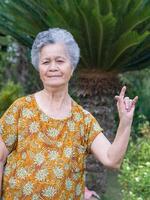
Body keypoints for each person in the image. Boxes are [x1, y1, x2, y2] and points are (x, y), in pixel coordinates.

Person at [0, 28, 138, 199]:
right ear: (38, 68)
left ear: (72, 67)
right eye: (46, 62)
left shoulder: (83, 120)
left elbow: (112, 160)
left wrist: (125, 121)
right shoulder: (21, 109)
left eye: (60, 60)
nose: (53, 67)